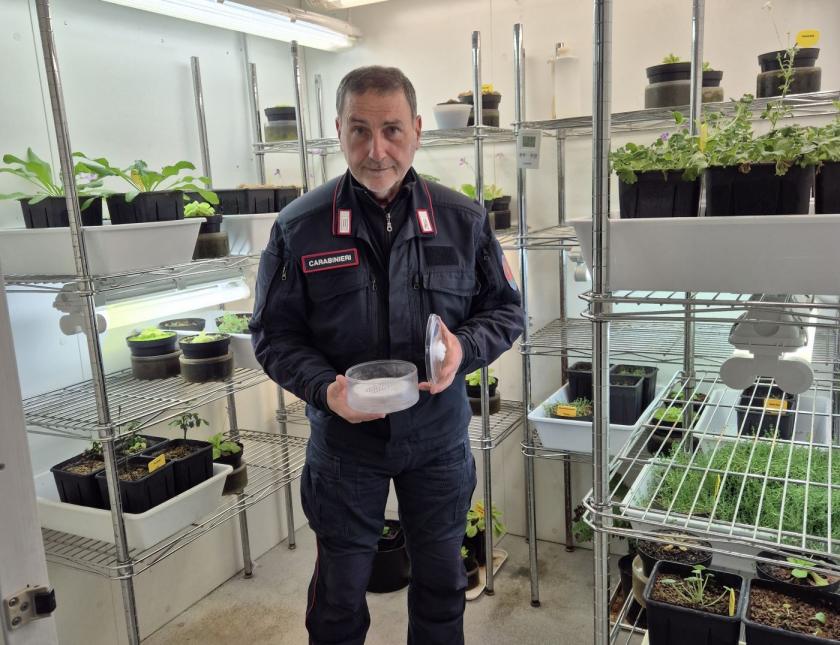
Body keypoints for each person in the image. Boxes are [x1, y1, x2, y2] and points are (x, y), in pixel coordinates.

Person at [250, 65, 524, 645]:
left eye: (392, 130)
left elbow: (506, 311)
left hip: (437, 440)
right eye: (360, 131)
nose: (377, 151)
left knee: (442, 587)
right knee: (339, 597)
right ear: (338, 131)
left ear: (418, 131)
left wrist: (463, 348)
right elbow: (273, 334)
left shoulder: (463, 221)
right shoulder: (300, 228)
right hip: (345, 446)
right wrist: (324, 389)